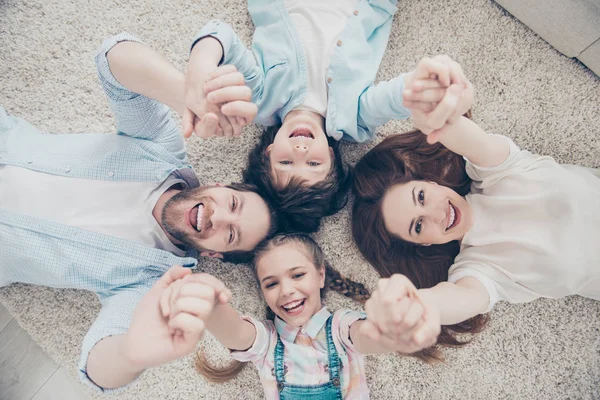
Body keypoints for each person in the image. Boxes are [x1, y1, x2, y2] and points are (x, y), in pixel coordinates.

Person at [0, 33, 276, 391]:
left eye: (231, 233)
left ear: (213, 253)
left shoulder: (152, 283)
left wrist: (132, 353)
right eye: (233, 205)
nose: (219, 217)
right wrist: (185, 95)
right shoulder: (160, 147)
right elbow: (112, 60)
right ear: (220, 187)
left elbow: (96, 369)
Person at [351, 61, 600, 357]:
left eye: (421, 196)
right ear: (424, 243)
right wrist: (421, 305)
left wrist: (436, 115)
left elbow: (467, 138)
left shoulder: (498, 170)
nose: (435, 214)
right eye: (418, 226)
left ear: (429, 181)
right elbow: (461, 298)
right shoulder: (479, 268)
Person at [183, 0, 460, 232]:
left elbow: (220, 35)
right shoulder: (354, 120)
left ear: (268, 152)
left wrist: (201, 68)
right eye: (314, 162)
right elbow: (393, 98)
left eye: (286, 161)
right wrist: (421, 90)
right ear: (330, 154)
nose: (301, 149)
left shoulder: (259, 100)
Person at [160, 233, 441, 399]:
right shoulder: (267, 341)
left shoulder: (340, 325)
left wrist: (390, 333)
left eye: (297, 275)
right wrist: (208, 304)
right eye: (271, 283)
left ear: (321, 275)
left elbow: (366, 337)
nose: (287, 291)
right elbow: (235, 333)